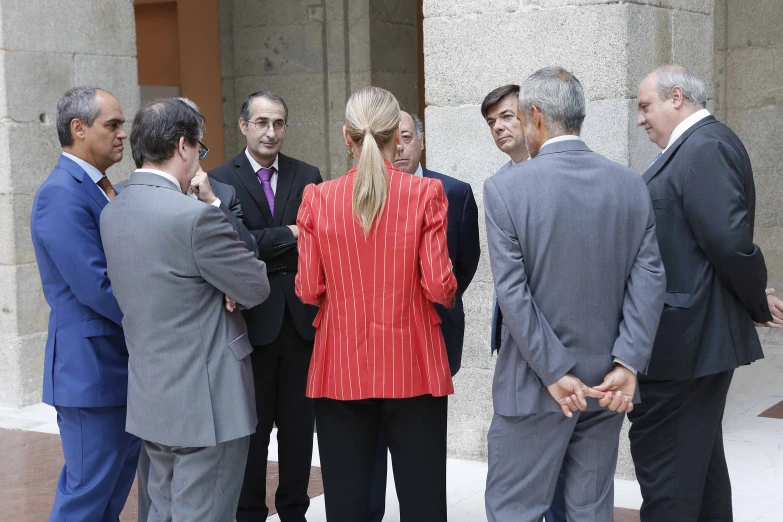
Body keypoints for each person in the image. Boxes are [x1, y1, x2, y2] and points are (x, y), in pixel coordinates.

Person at [483, 67, 666, 521]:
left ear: (537, 117)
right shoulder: (630, 184)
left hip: (534, 385)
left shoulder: (505, 188)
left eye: (522, 117)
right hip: (607, 384)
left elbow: (513, 293)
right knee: (588, 511)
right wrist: (627, 363)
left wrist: (554, 371)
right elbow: (649, 279)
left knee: (515, 510)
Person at [100, 98, 270, 522]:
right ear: (182, 146)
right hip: (208, 400)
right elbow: (255, 284)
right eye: (199, 148)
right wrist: (224, 284)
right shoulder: (194, 217)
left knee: (163, 511)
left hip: (151, 396)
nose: (198, 158)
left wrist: (217, 283)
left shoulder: (112, 210)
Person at [295, 86, 457, 522]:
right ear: (396, 138)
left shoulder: (317, 198)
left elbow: (308, 289)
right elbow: (440, 287)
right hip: (414, 362)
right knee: (423, 501)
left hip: (339, 363)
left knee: (346, 503)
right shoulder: (425, 194)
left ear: (347, 137)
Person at [629, 65, 783, 521]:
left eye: (645, 106)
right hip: (691, 340)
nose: (640, 119)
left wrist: (754, 299)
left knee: (669, 477)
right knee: (699, 469)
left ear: (677, 97)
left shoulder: (705, 147)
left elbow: (729, 242)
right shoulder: (695, 147)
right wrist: (750, 297)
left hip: (685, 342)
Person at [209, 90, 322, 522]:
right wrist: (288, 234)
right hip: (249, 324)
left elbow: (315, 239)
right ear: (243, 126)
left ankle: (295, 511)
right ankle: (249, 512)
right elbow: (234, 245)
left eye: (278, 123)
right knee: (250, 434)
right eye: (261, 123)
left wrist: (263, 241)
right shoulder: (220, 180)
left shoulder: (307, 174)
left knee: (298, 431)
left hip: (299, 325)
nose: (271, 132)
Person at [30, 86, 141, 522]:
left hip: (118, 366)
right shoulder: (61, 193)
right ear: (78, 128)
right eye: (112, 125)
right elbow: (96, 286)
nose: (122, 135)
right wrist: (157, 320)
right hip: (90, 372)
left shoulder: (100, 186)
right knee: (86, 497)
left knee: (110, 495)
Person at [365, 110, 480, 521]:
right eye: (390, 138)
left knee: (421, 454)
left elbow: (466, 261)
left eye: (407, 136)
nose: (399, 147)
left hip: (432, 334)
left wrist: (436, 303)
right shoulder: (362, 193)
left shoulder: (455, 192)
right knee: (369, 451)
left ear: (421, 141)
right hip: (369, 346)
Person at [481, 84, 565, 522]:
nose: (498, 126)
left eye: (507, 116)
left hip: (561, 348)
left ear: (533, 117)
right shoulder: (498, 185)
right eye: (492, 121)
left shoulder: (560, 177)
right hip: (518, 350)